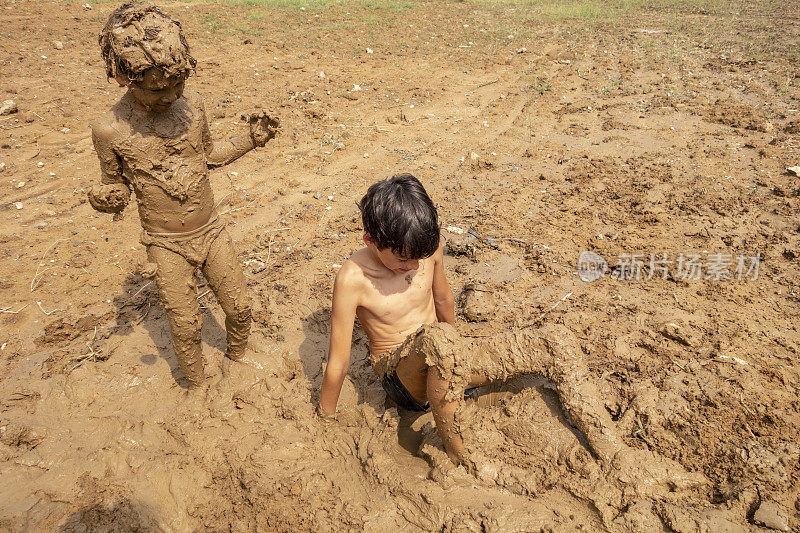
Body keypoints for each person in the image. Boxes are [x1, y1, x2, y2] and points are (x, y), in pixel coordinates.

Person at [319, 173, 706, 493]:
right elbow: (338, 361)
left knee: (554, 340)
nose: (412, 267)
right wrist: (326, 419)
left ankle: (614, 450)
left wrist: (459, 359)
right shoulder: (353, 277)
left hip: (445, 359)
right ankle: (461, 459)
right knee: (440, 342)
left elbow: (444, 301)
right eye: (403, 260)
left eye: (419, 258)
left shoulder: (425, 249)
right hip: (402, 378)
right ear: (370, 240)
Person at [88, 1, 279, 389]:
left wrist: (249, 140)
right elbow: (114, 186)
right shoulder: (110, 130)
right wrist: (104, 198)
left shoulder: (192, 107)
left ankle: (238, 361)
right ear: (122, 76)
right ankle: (196, 387)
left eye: (178, 84)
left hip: (211, 230)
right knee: (187, 324)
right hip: (166, 243)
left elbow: (209, 155)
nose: (170, 95)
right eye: (158, 88)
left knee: (240, 308)